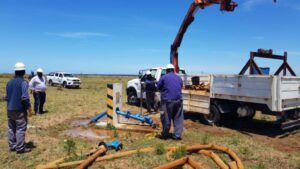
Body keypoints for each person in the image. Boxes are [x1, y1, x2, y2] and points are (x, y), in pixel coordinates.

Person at [5, 62, 31, 153]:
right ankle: (20, 148)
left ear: (15, 72)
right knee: (20, 128)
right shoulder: (23, 82)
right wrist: (29, 108)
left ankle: (12, 146)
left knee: (11, 128)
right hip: (19, 110)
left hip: (9, 109)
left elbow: (6, 97)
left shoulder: (9, 82)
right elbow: (24, 97)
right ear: (24, 71)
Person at [157, 64, 183, 140]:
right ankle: (177, 135)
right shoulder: (178, 78)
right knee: (178, 118)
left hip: (167, 101)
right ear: (173, 70)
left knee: (165, 117)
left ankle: (165, 135)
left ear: (167, 70)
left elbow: (158, 87)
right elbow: (180, 87)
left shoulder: (164, 77)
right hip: (178, 101)